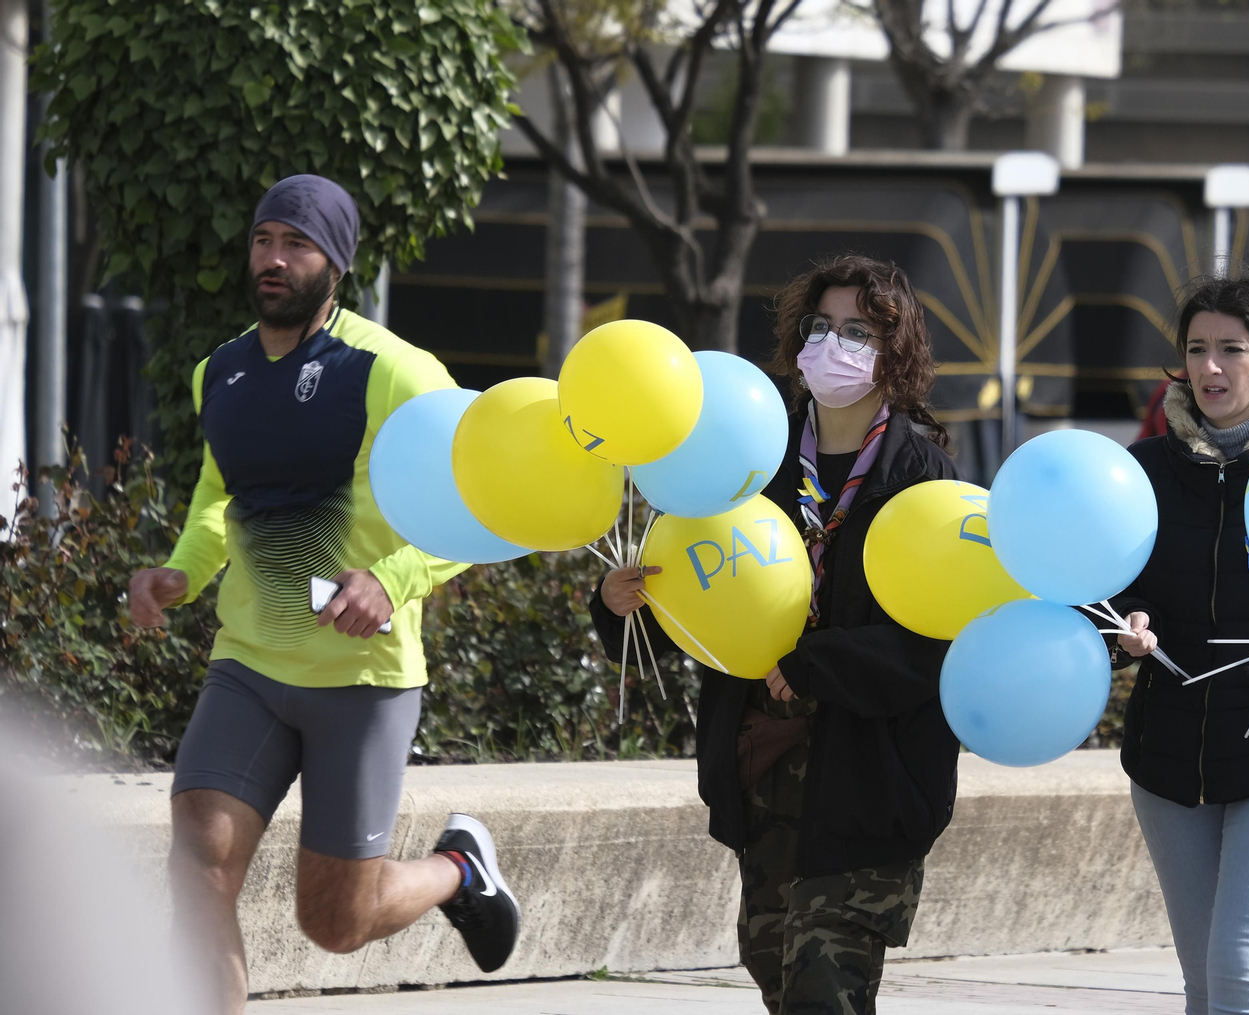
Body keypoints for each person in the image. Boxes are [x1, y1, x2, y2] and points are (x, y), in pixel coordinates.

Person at [125, 176, 519, 1015]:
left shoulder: (395, 372)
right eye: (263, 240)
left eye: (297, 245)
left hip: (361, 680)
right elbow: (220, 497)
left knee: (337, 920)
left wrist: (393, 580)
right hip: (248, 665)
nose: (273, 259)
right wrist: (182, 572)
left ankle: (459, 868)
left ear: (336, 264)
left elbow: (489, 505)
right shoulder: (219, 372)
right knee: (199, 866)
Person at [590, 254, 960, 1015]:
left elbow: (938, 642)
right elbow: (703, 599)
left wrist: (821, 663)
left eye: (857, 331)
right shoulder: (754, 460)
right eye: (820, 326)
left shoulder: (925, 478)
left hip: (869, 780)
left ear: (895, 351)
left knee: (825, 987)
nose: (832, 344)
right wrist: (625, 605)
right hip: (764, 771)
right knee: (776, 974)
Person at [1110, 275, 1249, 1015]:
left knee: (1240, 971)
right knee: (1204, 983)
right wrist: (1126, 629)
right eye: (1196, 349)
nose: (1210, 368)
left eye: (1232, 350)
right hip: (1167, 762)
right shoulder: (1143, 469)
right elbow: (1101, 589)